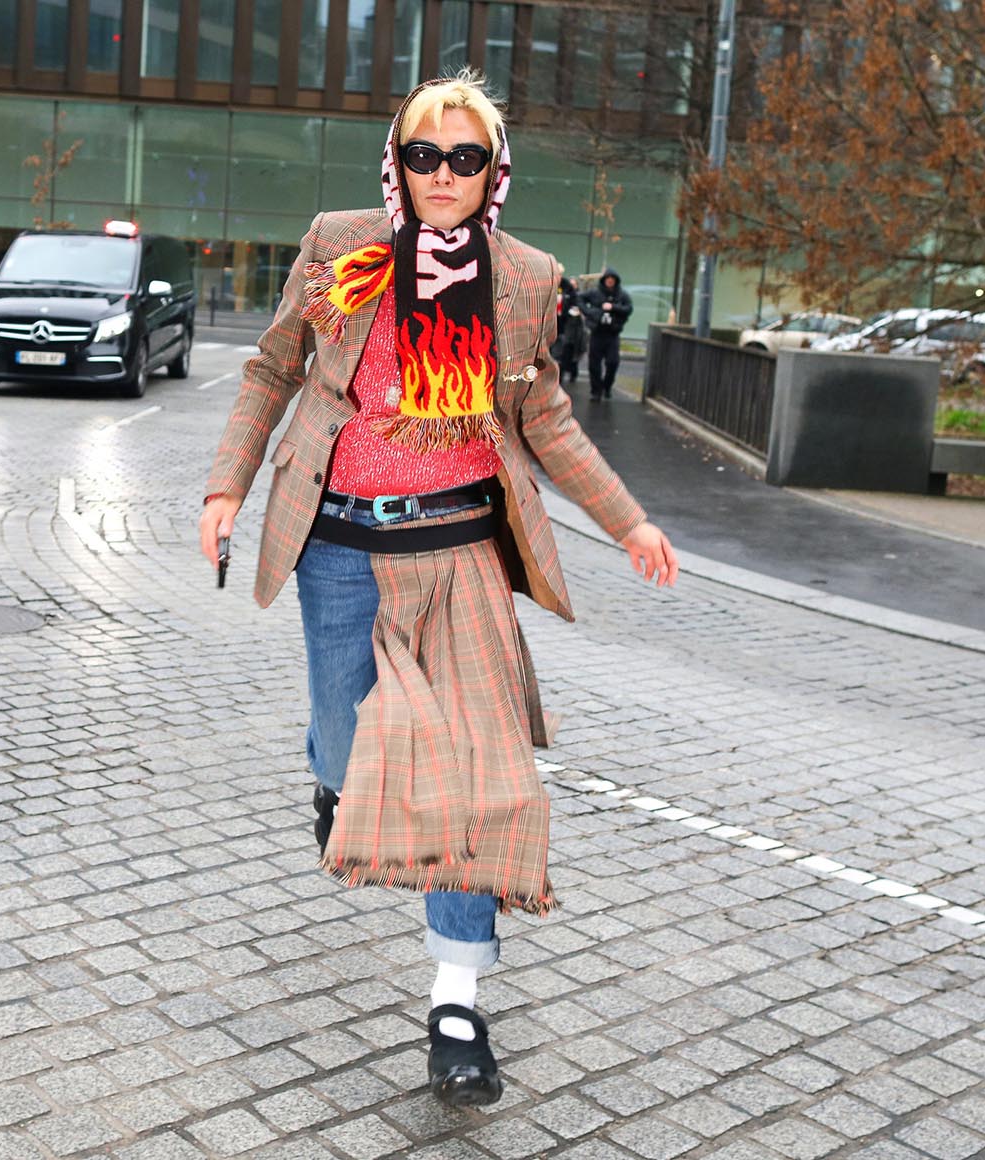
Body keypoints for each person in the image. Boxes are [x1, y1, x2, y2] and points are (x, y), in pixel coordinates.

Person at [199, 71, 677, 1108]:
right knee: (342, 741)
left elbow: (544, 417)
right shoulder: (339, 244)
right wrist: (226, 485)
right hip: (334, 546)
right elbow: (272, 369)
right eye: (427, 154)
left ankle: (456, 1002)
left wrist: (630, 519)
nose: (445, 175)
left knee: (473, 777)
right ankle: (335, 774)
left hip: (459, 552)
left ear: (492, 171)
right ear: (398, 161)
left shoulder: (525, 276)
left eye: (467, 158)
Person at [581, 267, 632, 399]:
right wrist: (589, 313)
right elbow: (579, 299)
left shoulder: (621, 294)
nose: (610, 281)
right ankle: (596, 390)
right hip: (597, 332)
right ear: (604, 280)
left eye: (612, 279)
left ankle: (607, 386)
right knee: (594, 364)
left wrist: (614, 307)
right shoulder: (595, 293)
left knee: (613, 362)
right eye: (608, 279)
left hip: (612, 334)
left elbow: (628, 308)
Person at [552, 273, 587, 387]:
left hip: (572, 328)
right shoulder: (558, 291)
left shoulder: (574, 296)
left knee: (569, 351)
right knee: (558, 351)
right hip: (558, 325)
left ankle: (569, 372)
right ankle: (558, 375)